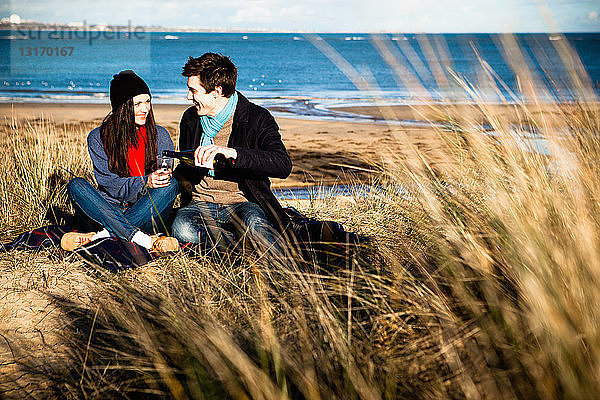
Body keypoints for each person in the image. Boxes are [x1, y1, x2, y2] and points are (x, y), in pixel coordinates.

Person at [171, 53, 294, 256]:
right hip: (201, 204)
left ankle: (286, 271)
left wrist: (232, 153)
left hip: (242, 203)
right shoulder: (190, 118)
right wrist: (166, 176)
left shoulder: (257, 118)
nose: (188, 97)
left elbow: (282, 165)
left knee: (256, 226)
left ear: (216, 92)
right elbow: (186, 168)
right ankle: (241, 248)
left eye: (193, 90)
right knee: (182, 228)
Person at [61, 70, 179, 252]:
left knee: (171, 185)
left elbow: (164, 177)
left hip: (145, 211)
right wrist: (145, 181)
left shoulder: (160, 135)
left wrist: (159, 180)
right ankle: (146, 241)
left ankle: (101, 236)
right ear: (122, 106)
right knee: (76, 185)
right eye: (137, 103)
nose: (145, 109)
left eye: (148, 101)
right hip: (107, 210)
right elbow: (111, 184)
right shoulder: (98, 137)